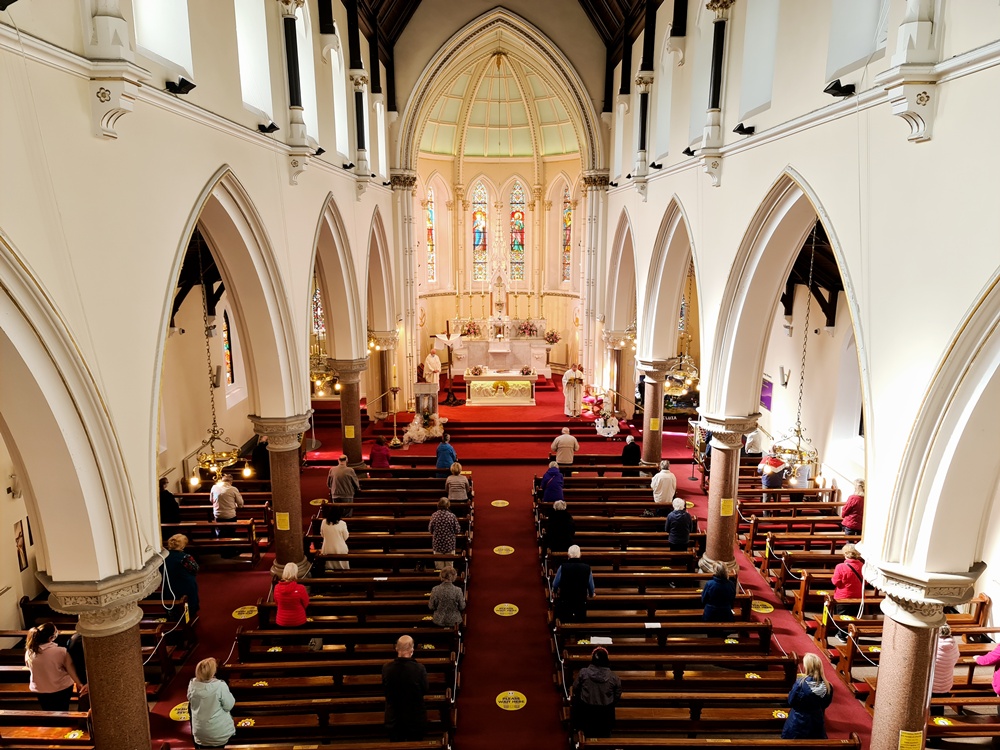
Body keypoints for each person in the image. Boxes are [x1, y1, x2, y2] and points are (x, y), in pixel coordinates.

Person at [24, 623, 86, 711]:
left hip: (39, 688)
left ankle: (51, 722)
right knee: (62, 709)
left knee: (47, 709)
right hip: (60, 688)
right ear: (51, 638)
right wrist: (79, 684)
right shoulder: (60, 652)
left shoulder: (30, 651)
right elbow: (70, 668)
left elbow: (29, 666)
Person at [382, 635, 428, 742]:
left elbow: (385, 689)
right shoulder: (419, 668)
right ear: (412, 650)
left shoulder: (386, 668)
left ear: (397, 649)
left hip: (394, 718)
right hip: (415, 718)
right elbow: (425, 689)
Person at [571, 646, 622, 739]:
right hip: (605, 714)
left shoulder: (583, 673)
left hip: (586, 711)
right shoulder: (614, 677)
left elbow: (575, 688)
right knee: (604, 736)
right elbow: (617, 694)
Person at [781, 653, 834, 739]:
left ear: (807, 667)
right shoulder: (828, 686)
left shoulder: (800, 683)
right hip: (816, 721)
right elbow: (825, 704)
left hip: (798, 721)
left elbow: (791, 701)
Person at [188, 657, 236, 749]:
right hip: (219, 734)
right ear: (213, 672)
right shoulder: (220, 686)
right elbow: (229, 706)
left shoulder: (192, 685)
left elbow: (190, 700)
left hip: (200, 734)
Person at [552, 545, 595, 623]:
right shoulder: (587, 568)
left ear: (568, 555)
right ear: (580, 555)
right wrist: (591, 594)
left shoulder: (563, 567)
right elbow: (591, 586)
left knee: (565, 621)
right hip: (580, 601)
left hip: (565, 600)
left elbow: (555, 584)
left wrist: (554, 591)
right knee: (580, 623)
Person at [163, 533, 200, 616]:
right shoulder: (185, 557)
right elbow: (195, 569)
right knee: (187, 602)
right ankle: (187, 617)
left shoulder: (164, 556)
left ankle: (173, 615)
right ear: (182, 546)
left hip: (170, 583)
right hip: (185, 584)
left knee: (173, 599)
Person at [930, 625, 960, 717]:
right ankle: (939, 720)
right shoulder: (953, 644)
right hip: (946, 681)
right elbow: (956, 656)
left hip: (933, 682)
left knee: (932, 702)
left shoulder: (934, 644)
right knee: (939, 704)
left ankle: (932, 722)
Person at [830, 543, 865, 615]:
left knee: (841, 618)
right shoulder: (862, 566)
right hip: (858, 596)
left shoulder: (840, 566)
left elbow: (835, 582)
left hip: (843, 597)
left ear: (845, 554)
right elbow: (866, 582)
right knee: (855, 617)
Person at [429, 498, 462, 569]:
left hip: (438, 544)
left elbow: (430, 530)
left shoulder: (434, 515)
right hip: (449, 544)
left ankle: (440, 579)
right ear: (448, 505)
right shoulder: (451, 516)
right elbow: (457, 530)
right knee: (449, 566)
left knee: (439, 567)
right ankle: (450, 579)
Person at [273, 562, 309, 627]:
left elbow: (277, 603)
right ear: (296, 573)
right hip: (298, 620)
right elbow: (306, 603)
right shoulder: (301, 588)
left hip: (282, 620)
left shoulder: (276, 588)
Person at [320, 505, 350, 570]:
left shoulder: (324, 522)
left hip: (327, 549)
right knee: (343, 568)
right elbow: (346, 537)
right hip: (340, 549)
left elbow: (322, 534)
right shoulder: (342, 523)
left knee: (329, 568)